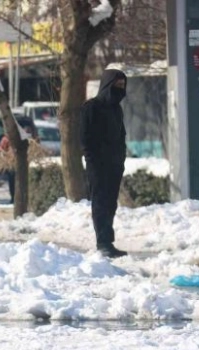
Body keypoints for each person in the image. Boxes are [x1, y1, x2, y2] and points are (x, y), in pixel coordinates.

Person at [80, 69, 129, 258]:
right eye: (116, 85)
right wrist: (93, 160)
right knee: (100, 203)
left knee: (110, 203)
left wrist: (121, 159)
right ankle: (102, 242)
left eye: (122, 86)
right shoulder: (91, 107)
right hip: (98, 165)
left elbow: (121, 135)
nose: (119, 89)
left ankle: (108, 240)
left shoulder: (117, 109)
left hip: (115, 164)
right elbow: (85, 138)